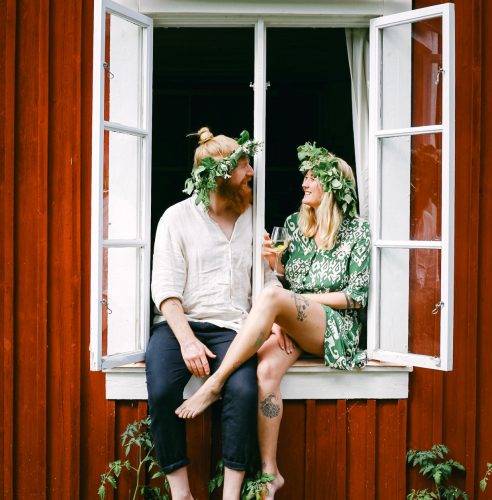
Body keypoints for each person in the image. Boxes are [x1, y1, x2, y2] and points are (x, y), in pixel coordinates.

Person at [176, 142, 371, 499]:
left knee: (270, 296)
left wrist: (288, 304)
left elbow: (355, 296)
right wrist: (274, 266)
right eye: (306, 177)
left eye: (312, 178)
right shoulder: (296, 225)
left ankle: (215, 383)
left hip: (335, 327)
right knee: (265, 372)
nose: (304, 183)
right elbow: (288, 282)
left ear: (332, 186)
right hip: (296, 320)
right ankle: (270, 474)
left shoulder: (356, 232)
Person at [146, 127, 280, 500]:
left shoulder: (253, 217)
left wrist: (276, 314)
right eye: (243, 166)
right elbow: (166, 292)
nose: (251, 172)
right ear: (220, 175)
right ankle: (181, 494)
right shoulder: (175, 219)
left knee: (241, 389)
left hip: (234, 329)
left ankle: (231, 495)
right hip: (179, 327)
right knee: (160, 391)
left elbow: (268, 282)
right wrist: (187, 341)